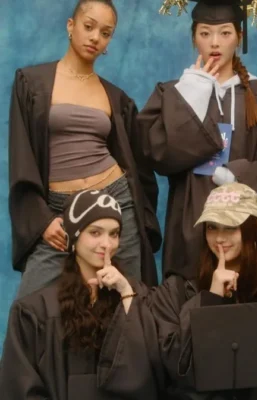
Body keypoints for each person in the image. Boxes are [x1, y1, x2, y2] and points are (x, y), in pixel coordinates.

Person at [9, 0, 161, 298]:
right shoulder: (32, 83)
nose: (95, 38)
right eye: (89, 26)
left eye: (105, 33)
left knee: (128, 296)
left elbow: (138, 163)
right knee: (32, 302)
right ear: (71, 25)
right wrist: (40, 218)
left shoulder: (115, 97)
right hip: (58, 208)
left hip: (114, 201)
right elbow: (22, 157)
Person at [140, 0, 257, 282]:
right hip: (190, 224)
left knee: (247, 296)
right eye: (204, 33)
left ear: (239, 37)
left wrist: (239, 174)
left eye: (225, 33)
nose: (214, 42)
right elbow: (157, 155)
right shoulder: (175, 93)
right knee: (189, 299)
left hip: (244, 226)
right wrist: (193, 94)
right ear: (193, 38)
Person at [0, 190, 162, 399]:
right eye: (95, 233)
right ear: (74, 237)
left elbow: (153, 370)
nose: (107, 244)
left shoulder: (135, 297)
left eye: (114, 234)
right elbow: (19, 388)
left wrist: (127, 295)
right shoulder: (34, 311)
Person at [150, 183, 257, 399]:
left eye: (230, 227)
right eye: (212, 227)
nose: (219, 238)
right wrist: (211, 299)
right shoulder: (176, 290)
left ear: (251, 231)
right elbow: (175, 366)